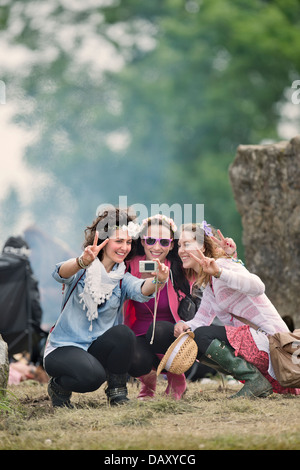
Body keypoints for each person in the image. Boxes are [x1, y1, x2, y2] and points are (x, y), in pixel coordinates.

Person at [147, 222, 300, 397]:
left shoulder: (223, 266)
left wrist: (220, 272)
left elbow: (258, 286)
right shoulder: (209, 283)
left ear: (203, 246)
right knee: (196, 336)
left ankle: (254, 380)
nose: (181, 250)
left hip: (270, 342)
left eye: (187, 244)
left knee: (203, 336)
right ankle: (255, 381)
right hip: (257, 345)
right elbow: (201, 320)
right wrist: (183, 325)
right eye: (180, 245)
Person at [43, 207, 169, 408]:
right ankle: (59, 386)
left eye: (128, 242)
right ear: (103, 240)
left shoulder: (122, 278)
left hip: (94, 348)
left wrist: (158, 281)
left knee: (123, 334)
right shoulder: (82, 269)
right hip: (63, 348)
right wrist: (81, 261)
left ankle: (117, 392)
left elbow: (141, 289)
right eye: (119, 241)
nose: (125, 247)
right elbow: (60, 272)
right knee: (92, 378)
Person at [125, 214, 195, 400]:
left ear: (172, 244)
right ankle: (148, 385)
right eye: (150, 240)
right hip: (138, 333)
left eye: (164, 241)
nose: (157, 247)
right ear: (142, 241)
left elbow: (205, 264)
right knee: (132, 356)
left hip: (171, 334)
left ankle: (177, 380)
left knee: (160, 330)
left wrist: (229, 254)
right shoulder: (130, 264)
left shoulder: (180, 267)